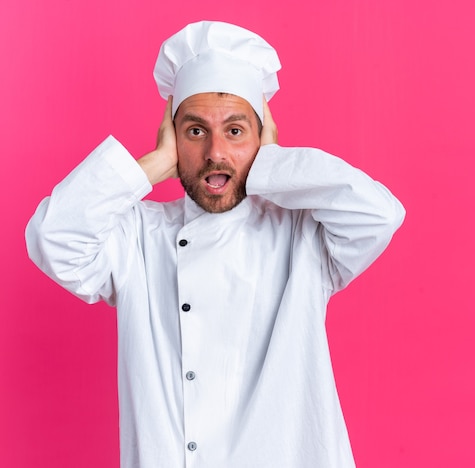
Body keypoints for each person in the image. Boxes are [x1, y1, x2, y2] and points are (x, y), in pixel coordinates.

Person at [26, 21, 405, 468]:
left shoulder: (304, 236)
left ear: (262, 138)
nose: (215, 154)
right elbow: (53, 237)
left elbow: (380, 213)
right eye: (195, 131)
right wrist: (153, 164)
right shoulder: (136, 238)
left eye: (236, 131)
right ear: (172, 139)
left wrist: (272, 166)